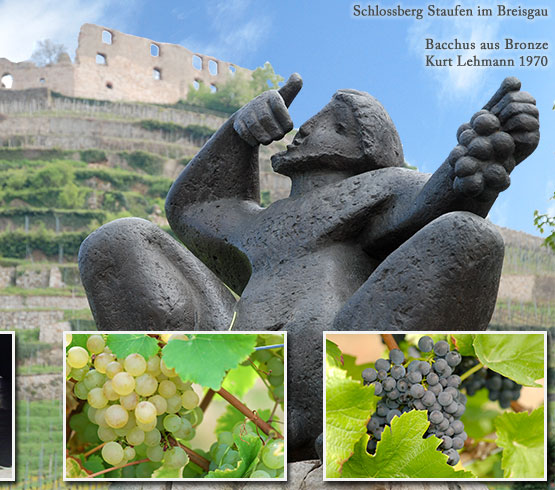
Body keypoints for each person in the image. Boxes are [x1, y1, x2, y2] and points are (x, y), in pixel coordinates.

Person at [78, 74, 539, 460]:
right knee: (117, 240)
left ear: (363, 151)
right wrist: (239, 134)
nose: (309, 125)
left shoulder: (381, 187)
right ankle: (166, 409)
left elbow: (430, 203)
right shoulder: (258, 223)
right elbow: (195, 207)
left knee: (469, 236)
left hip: (339, 377)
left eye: (334, 123)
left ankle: (374, 417)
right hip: (239, 385)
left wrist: (479, 158)